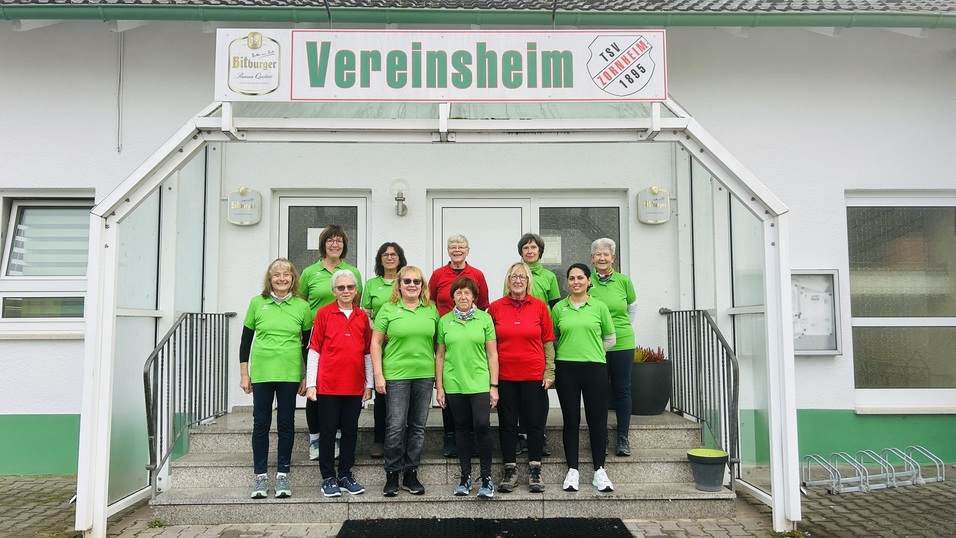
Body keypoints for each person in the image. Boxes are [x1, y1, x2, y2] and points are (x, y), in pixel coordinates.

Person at [239, 258, 313, 499]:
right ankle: (260, 476)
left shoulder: (302, 306)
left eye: (286, 274)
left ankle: (282, 474)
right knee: (261, 423)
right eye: (277, 275)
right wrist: (244, 374)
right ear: (269, 279)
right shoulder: (257, 303)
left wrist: (307, 376)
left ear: (293, 279)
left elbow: (307, 346)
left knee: (286, 423)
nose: (282, 278)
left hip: (289, 373)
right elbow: (245, 342)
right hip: (262, 373)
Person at [371, 266, 439, 497]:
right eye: (407, 281)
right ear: (399, 285)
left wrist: (439, 378)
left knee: (418, 427)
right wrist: (378, 375)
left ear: (422, 286)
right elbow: (376, 343)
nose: (412, 285)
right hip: (396, 375)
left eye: (416, 282)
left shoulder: (431, 309)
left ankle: (411, 473)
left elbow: (439, 345)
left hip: (424, 374)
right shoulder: (388, 309)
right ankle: (392, 475)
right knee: (396, 426)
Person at [488, 261, 555, 493]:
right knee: (507, 425)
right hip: (505, 376)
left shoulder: (539, 306)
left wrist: (550, 371)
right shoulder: (495, 308)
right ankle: (510, 470)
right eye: (513, 276)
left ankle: (535, 470)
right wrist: (491, 379)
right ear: (507, 281)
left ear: (528, 281)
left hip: (534, 375)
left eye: (522, 277)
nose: (518, 280)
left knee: (535, 425)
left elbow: (548, 341)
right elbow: (489, 345)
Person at [306, 269, 373, 498]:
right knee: (327, 430)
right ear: (334, 291)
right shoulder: (323, 313)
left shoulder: (362, 317)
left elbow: (367, 352)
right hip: (328, 385)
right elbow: (314, 349)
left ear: (356, 291)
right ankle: (328, 477)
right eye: (341, 287)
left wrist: (368, 384)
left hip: (354, 385)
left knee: (350, 431)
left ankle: (345, 475)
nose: (346, 291)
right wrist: (312, 383)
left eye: (350, 287)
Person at [299, 225, 363, 462]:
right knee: (314, 387)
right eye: (330, 240)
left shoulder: (352, 272)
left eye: (339, 241)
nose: (335, 244)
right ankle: (315, 439)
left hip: (341, 334)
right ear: (323, 244)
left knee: (339, 387)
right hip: (315, 334)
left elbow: (356, 304)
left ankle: (336, 438)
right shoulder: (309, 272)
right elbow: (301, 303)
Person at [551, 263, 616, 493]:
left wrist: (593, 351)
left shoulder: (599, 307)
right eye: (571, 278)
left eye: (580, 278)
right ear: (567, 282)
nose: (576, 282)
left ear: (589, 281)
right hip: (566, 369)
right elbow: (553, 338)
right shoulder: (559, 308)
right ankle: (573, 471)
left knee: (597, 420)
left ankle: (599, 470)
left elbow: (610, 338)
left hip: (595, 368)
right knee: (571, 420)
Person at [436, 277, 499, 499]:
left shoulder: (485, 319)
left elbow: (492, 354)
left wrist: (494, 385)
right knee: (461, 428)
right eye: (459, 293)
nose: (463, 296)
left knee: (481, 425)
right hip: (454, 382)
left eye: (467, 293)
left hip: (479, 381)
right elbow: (440, 355)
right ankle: (465, 477)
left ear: (474, 297)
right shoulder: (444, 321)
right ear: (452, 297)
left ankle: (486, 477)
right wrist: (439, 387)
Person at [429, 234, 490, 458]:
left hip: (470, 333)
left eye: (461, 247)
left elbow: (483, 304)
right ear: (448, 251)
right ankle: (450, 436)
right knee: (450, 382)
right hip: (446, 332)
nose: (456, 250)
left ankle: (471, 436)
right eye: (452, 247)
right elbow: (430, 301)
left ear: (467, 250)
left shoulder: (477, 274)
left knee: (470, 385)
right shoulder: (438, 275)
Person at [587, 238, 638, 457]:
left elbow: (632, 308)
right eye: (598, 254)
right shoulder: (586, 280)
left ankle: (623, 437)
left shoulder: (624, 281)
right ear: (592, 258)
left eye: (606, 254)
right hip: (596, 344)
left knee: (622, 389)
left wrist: (619, 329)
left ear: (613, 258)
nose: (602, 258)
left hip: (622, 342)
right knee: (599, 391)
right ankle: (602, 436)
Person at [361, 242, 408, 459]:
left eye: (394, 254)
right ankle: (380, 440)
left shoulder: (407, 281)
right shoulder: (372, 285)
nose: (390, 258)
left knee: (404, 395)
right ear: (380, 259)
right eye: (385, 254)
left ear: (400, 258)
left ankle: (401, 439)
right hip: (380, 344)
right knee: (382, 394)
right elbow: (365, 314)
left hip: (403, 346)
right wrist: (379, 333)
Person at [503, 233, 561, 307]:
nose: (530, 251)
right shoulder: (512, 275)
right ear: (521, 252)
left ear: (539, 251)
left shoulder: (550, 277)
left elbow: (555, 307)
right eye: (526, 248)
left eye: (533, 247)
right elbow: (505, 303)